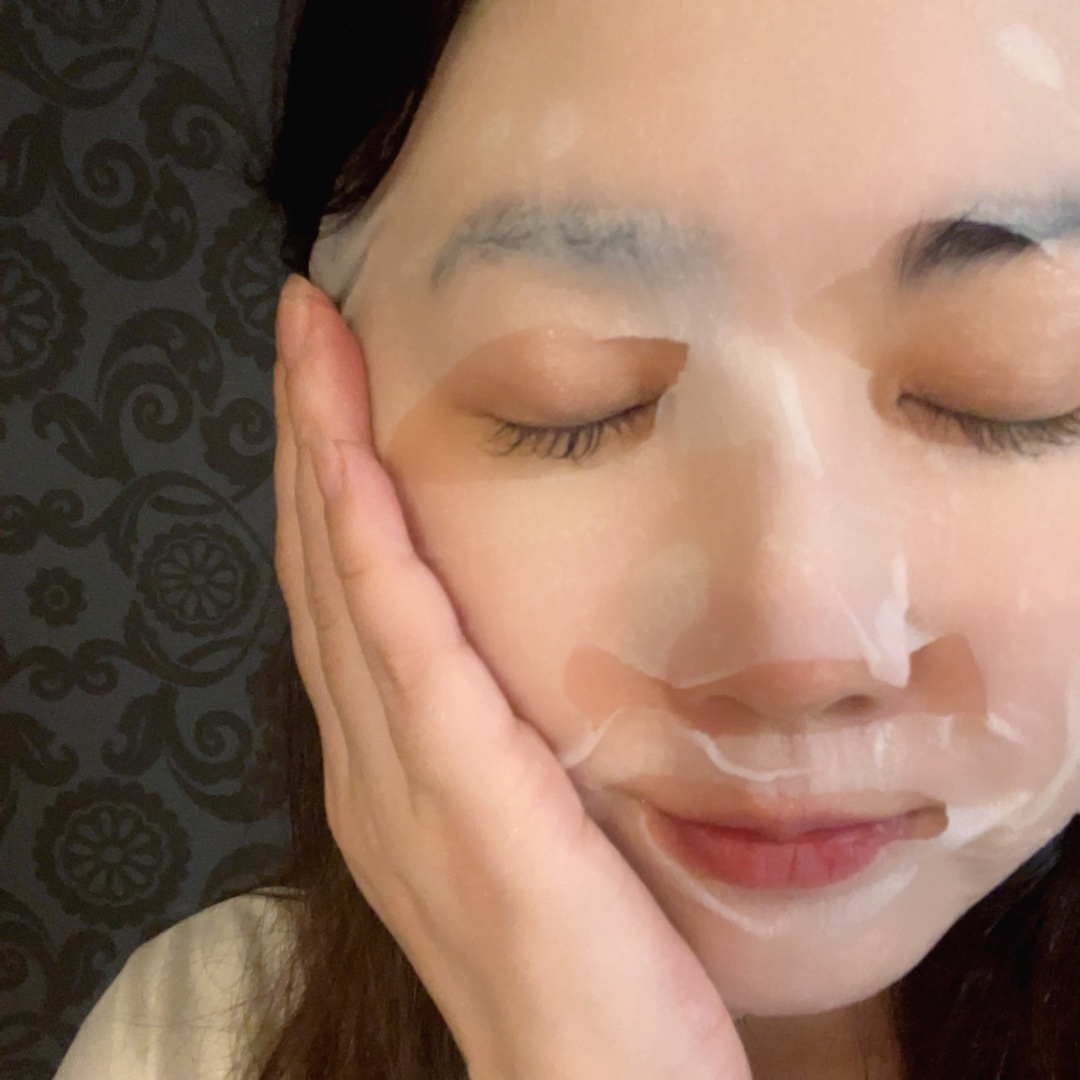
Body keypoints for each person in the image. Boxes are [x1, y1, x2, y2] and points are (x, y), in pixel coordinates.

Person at [55, 0, 1080, 1077]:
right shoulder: (196, 1043)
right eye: (573, 404)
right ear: (322, 414)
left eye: (1008, 388)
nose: (799, 652)